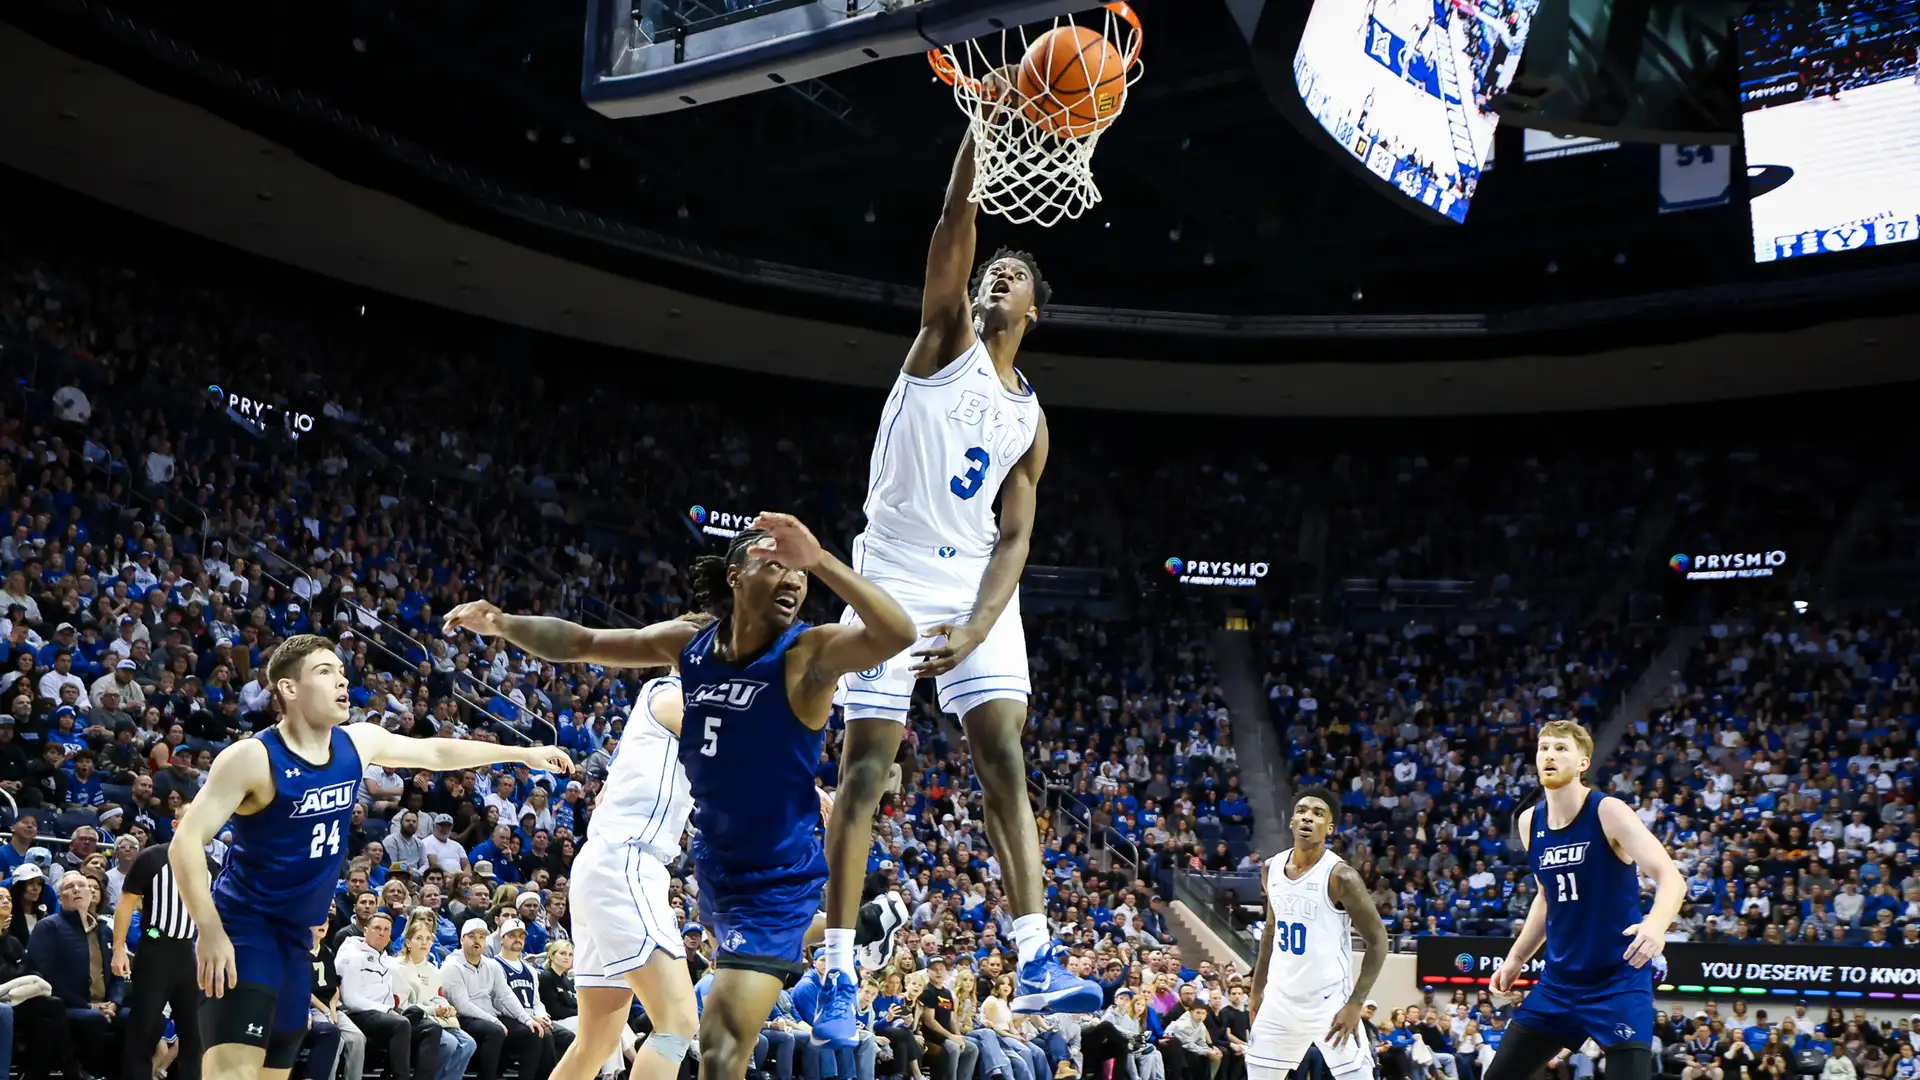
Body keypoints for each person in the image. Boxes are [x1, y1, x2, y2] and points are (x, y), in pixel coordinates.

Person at [444, 512, 914, 1080]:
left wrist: (822, 560)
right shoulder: (689, 654)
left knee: (708, 1042)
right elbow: (584, 640)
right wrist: (502, 621)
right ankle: (863, 929)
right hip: (708, 869)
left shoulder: (806, 654)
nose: (793, 579)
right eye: (775, 565)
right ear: (736, 575)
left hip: (770, 874)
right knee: (629, 1035)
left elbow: (896, 634)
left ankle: (856, 933)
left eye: (800, 573)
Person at [816, 121, 1094, 1046]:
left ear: (1036, 312)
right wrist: (983, 127)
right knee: (865, 769)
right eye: (988, 273)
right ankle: (839, 969)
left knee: (1005, 759)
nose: (993, 280)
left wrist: (977, 627)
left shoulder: (1033, 419)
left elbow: (1016, 539)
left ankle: (1038, 955)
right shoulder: (944, 340)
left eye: (1011, 277)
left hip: (974, 584)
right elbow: (954, 217)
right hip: (890, 566)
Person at [167, 633, 573, 1080]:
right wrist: (208, 930)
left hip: (297, 939)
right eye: (325, 672)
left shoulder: (355, 743)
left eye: (342, 672)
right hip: (244, 928)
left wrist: (522, 753)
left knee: (273, 1073)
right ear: (288, 689)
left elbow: (435, 751)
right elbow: (185, 841)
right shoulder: (251, 757)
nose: (343, 681)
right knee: (232, 1072)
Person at [442, 609, 703, 1080]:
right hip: (627, 863)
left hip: (607, 867)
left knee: (596, 1041)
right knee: (678, 1023)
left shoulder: (660, 706)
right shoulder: (673, 694)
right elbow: (729, 747)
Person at [1485, 722, 1687, 1080]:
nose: (1549, 754)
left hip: (1618, 981)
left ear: (1583, 762)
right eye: (1544, 747)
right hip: (1559, 984)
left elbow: (1671, 877)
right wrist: (1516, 958)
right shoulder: (1530, 821)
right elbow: (1546, 897)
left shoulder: (1608, 811)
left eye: (1561, 748)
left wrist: (1656, 924)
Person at [1247, 788, 1391, 1080]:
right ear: (1291, 822)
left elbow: (1379, 941)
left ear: (1330, 828)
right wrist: (1256, 991)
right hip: (1279, 1000)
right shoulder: (1271, 868)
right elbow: (1270, 933)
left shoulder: (1342, 877)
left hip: (1328, 1003)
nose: (1307, 817)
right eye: (1301, 811)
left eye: (1317, 813)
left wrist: (1355, 1005)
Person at [114, 838, 211, 1080]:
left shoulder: (211, 864)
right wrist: (118, 949)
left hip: (189, 952)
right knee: (143, 1032)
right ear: (177, 825)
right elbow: (126, 903)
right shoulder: (152, 858)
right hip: (154, 947)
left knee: (195, 1035)